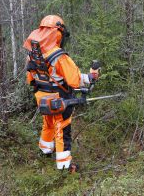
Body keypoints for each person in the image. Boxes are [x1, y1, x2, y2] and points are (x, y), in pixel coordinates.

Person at [23, 15, 99, 170]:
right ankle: (64, 166)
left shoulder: (32, 54)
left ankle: (45, 151)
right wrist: (91, 77)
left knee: (48, 123)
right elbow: (75, 80)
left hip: (42, 99)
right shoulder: (58, 56)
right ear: (59, 33)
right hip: (59, 99)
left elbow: (30, 79)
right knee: (62, 128)